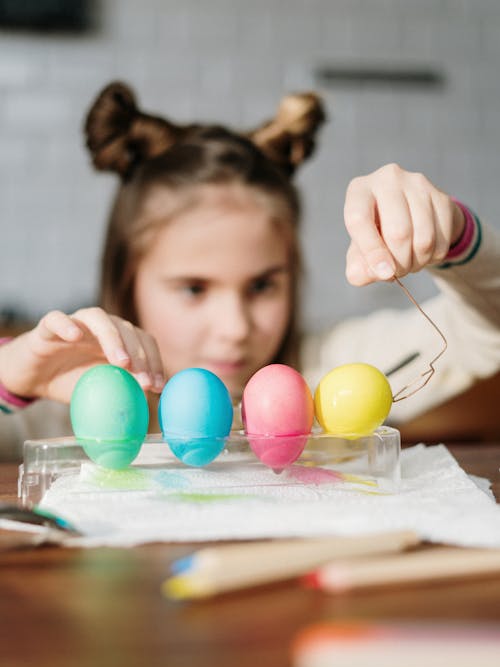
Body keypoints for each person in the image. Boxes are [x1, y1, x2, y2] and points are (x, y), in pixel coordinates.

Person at [0, 82, 499, 460]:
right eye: (194, 288)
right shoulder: (61, 401)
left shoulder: (334, 369)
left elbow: (485, 333)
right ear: (128, 280)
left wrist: (458, 237)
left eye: (262, 285)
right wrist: (11, 378)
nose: (236, 328)